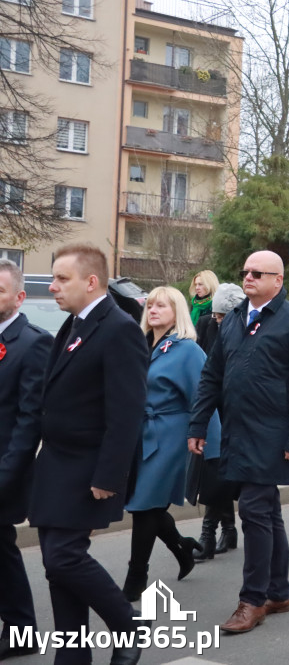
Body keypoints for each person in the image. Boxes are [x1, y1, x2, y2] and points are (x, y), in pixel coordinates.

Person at [189, 250, 289, 634]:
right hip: (237, 432)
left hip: (273, 435)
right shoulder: (233, 320)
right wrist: (198, 424)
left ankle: (252, 600)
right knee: (266, 513)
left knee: (254, 510)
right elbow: (212, 376)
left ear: (277, 280)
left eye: (257, 273)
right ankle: (277, 593)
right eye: (245, 271)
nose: (248, 278)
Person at [29, 244, 149, 664]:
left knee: (64, 557)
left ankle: (127, 626)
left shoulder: (118, 328)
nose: (53, 286)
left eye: (62, 279)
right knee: (56, 565)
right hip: (56, 465)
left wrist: (109, 476)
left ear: (91, 282)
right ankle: (73, 657)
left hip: (87, 468)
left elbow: (127, 411)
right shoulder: (74, 324)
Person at [123, 286, 217, 601]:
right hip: (140, 434)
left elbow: (204, 399)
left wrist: (212, 447)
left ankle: (136, 576)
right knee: (146, 503)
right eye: (150, 305)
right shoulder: (141, 344)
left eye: (161, 306)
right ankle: (182, 546)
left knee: (144, 505)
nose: (153, 310)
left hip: (170, 436)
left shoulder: (187, 349)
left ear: (177, 311)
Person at [0, 260, 52, 661]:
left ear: (18, 298)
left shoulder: (32, 342)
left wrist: (6, 474)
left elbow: (28, 419)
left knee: (2, 549)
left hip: (5, 465)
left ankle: (21, 630)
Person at [193, 283, 245, 561]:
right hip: (213, 408)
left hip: (236, 408)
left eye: (223, 315)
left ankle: (212, 531)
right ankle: (220, 529)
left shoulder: (246, 328)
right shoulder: (206, 325)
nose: (218, 320)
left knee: (223, 472)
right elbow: (205, 370)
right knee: (214, 470)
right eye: (216, 315)